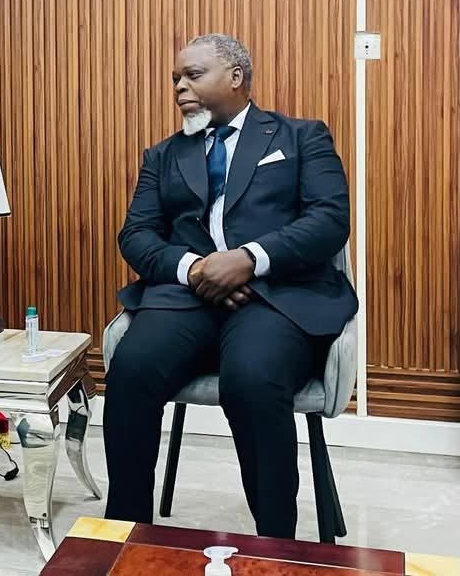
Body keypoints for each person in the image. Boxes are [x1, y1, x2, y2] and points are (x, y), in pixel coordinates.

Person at [103, 33, 357, 539]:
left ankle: (275, 545)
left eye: (192, 75)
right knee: (132, 370)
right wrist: (196, 269)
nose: (179, 86)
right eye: (176, 78)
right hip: (187, 298)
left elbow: (329, 220)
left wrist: (247, 260)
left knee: (252, 377)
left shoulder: (301, 137)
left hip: (277, 297)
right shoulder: (163, 155)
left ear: (236, 77)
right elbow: (136, 234)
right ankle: (126, 536)